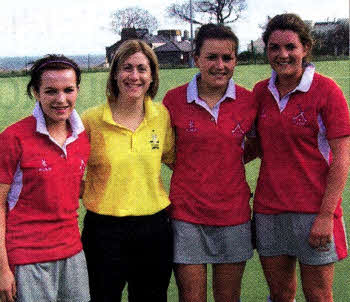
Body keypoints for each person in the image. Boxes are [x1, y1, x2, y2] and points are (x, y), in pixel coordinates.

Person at [251, 13, 350, 302]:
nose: (282, 55)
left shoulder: (327, 90)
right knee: (281, 294)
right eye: (274, 48)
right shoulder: (260, 92)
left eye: (290, 47)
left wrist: (325, 215)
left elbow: (342, 159)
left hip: (313, 211)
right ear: (267, 50)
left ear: (305, 48)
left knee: (319, 295)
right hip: (269, 211)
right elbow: (254, 146)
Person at [163, 24, 256, 302]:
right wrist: (194, 167)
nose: (220, 65)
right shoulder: (174, 100)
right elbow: (166, 151)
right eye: (211, 57)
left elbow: (259, 143)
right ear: (196, 59)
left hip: (233, 215)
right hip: (187, 217)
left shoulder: (249, 101)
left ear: (235, 61)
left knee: (228, 298)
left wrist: (229, 160)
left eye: (227, 58)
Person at [81, 40, 175, 302]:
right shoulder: (91, 120)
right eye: (127, 68)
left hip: (154, 228)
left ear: (152, 75)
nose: (135, 76)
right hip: (103, 231)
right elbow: (69, 173)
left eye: (142, 69)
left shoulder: (162, 116)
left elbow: (174, 159)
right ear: (115, 73)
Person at [0, 55, 90, 302]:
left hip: (73, 254)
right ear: (36, 92)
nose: (61, 100)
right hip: (28, 259)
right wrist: (2, 270)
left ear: (77, 90)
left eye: (68, 90)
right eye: (51, 91)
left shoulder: (82, 138)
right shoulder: (13, 138)